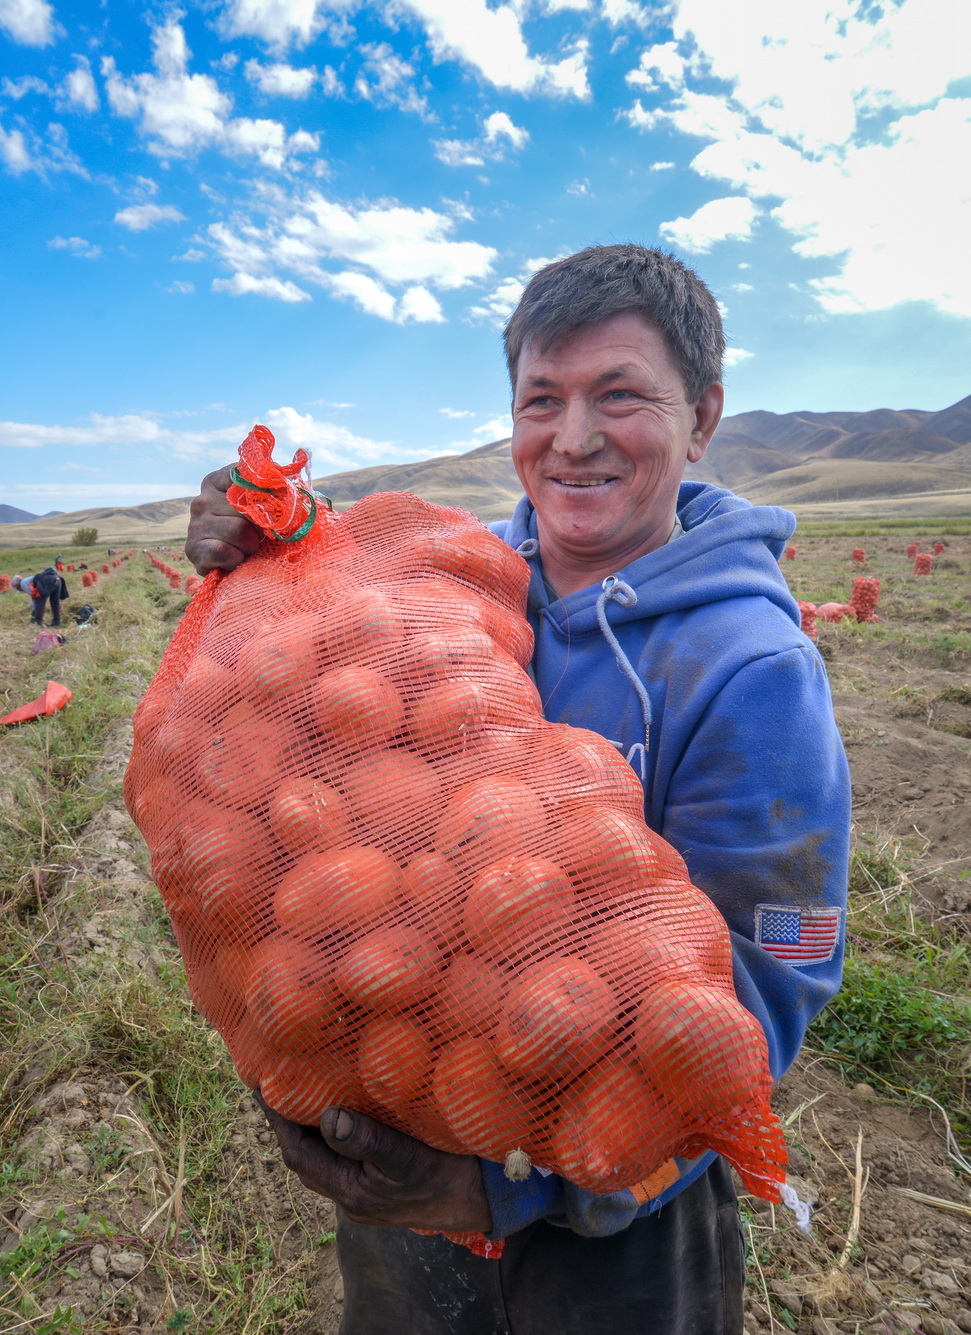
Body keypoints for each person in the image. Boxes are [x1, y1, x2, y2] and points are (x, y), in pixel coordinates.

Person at [185, 244, 850, 1334]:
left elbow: (767, 980)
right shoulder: (438, 586)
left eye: (619, 396)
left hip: (617, 1215)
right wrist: (270, 543)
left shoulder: (750, 669)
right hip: (404, 1169)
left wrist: (517, 1190)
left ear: (701, 417)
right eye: (542, 401)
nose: (573, 437)